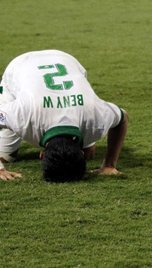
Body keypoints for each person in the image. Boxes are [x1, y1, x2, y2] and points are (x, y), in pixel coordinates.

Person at [0, 49, 128, 182]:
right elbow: (123, 118)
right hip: (21, 65)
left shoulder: (97, 118)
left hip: (66, 61)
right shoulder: (21, 115)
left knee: (90, 152)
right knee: (6, 157)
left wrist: (108, 165)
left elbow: (123, 118)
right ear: (41, 154)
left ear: (42, 155)